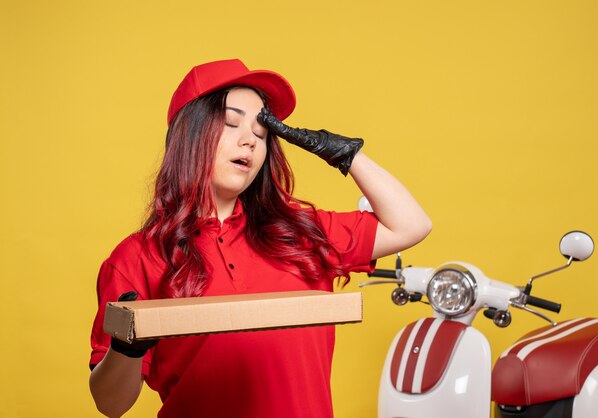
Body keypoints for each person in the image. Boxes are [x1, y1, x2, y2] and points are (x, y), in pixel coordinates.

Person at [88, 58, 432, 418]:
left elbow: (411, 224)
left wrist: (343, 153)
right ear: (189, 135)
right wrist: (126, 349)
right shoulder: (136, 258)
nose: (249, 141)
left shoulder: (301, 232)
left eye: (262, 133)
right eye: (232, 123)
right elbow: (110, 405)